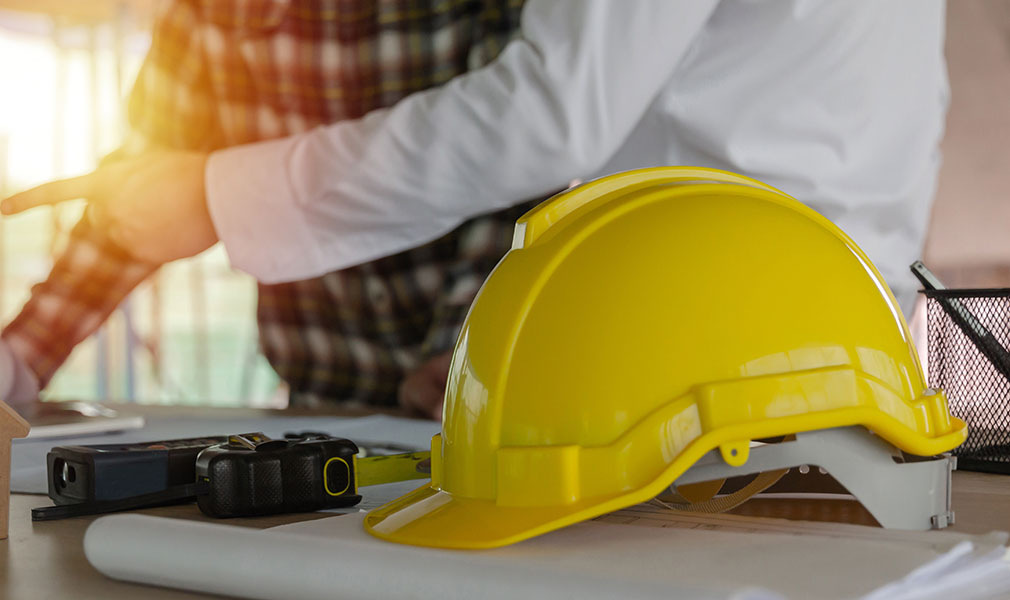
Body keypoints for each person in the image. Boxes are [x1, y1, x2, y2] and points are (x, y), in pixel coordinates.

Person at [1, 0, 948, 420]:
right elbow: (135, 196)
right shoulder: (206, 13)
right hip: (347, 401)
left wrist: (481, 362)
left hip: (540, 398)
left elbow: (543, 133)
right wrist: (24, 354)